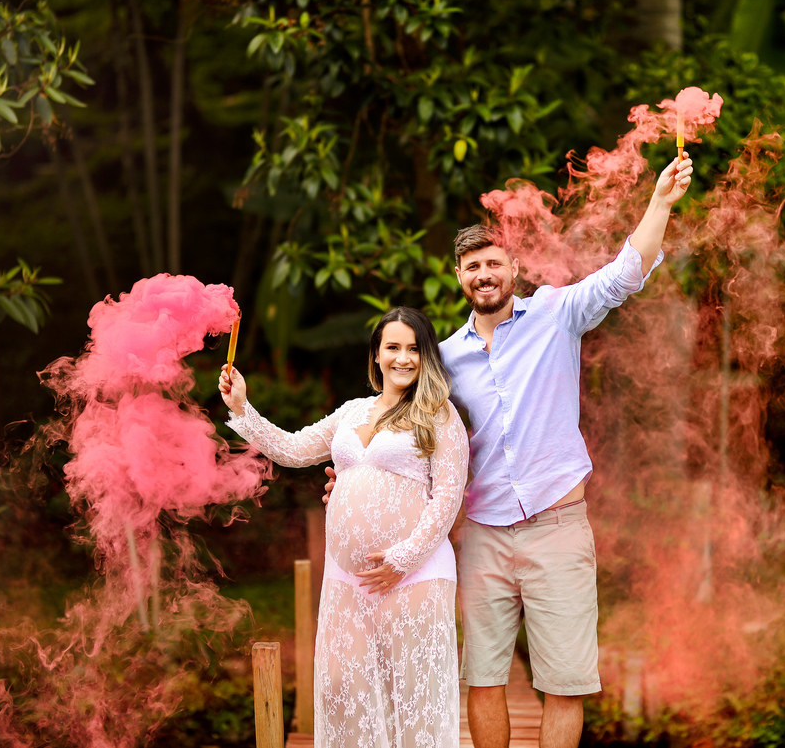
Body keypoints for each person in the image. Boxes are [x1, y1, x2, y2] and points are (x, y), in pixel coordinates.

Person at [324, 152, 694, 748]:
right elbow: (401, 438)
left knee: (565, 682)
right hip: (485, 534)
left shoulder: (556, 314)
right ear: (460, 278)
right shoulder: (440, 362)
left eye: (493, 262)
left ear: (514, 266)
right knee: (483, 677)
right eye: (472, 266)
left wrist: (659, 203)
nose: (484, 274)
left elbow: (626, 271)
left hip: (559, 525)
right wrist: (353, 477)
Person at [219, 306, 469, 748]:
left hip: (416, 576)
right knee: (343, 688)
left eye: (414, 349)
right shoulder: (352, 411)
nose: (403, 358)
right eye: (393, 347)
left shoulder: (440, 415)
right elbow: (294, 449)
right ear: (376, 354)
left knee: (411, 695)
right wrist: (243, 407)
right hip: (347, 579)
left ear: (427, 356)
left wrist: (401, 559)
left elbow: (448, 497)